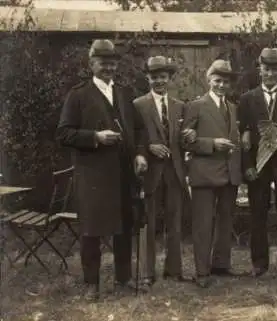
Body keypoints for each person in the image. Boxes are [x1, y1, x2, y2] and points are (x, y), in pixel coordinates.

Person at [56, 39, 148, 301]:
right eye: (103, 62)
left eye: (113, 62)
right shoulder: (78, 95)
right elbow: (63, 133)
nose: (108, 67)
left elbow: (140, 130)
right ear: (91, 64)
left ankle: (123, 279)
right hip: (93, 176)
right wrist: (95, 136)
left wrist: (141, 154)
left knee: (124, 227)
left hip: (124, 174)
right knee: (92, 231)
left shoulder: (124, 93)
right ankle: (91, 285)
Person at [133, 56, 195, 290]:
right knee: (148, 222)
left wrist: (190, 136)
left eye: (163, 76)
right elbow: (136, 136)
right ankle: (147, 272)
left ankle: (174, 269)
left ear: (169, 78)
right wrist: (148, 147)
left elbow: (184, 139)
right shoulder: (138, 105)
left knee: (174, 222)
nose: (159, 80)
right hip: (151, 173)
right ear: (147, 77)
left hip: (175, 172)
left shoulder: (181, 106)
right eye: (154, 76)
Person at [238, 48, 277, 277]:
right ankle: (259, 263)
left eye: (275, 69)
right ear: (260, 70)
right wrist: (247, 167)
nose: (270, 74)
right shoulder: (247, 99)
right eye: (266, 69)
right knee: (257, 215)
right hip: (258, 166)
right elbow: (243, 136)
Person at [181, 59, 243, 288]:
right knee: (203, 224)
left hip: (229, 174)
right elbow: (185, 141)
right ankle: (202, 271)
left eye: (226, 81)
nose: (221, 85)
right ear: (209, 81)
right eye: (217, 80)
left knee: (225, 222)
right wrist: (212, 144)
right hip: (204, 174)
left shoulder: (233, 107)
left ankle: (221, 264)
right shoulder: (196, 106)